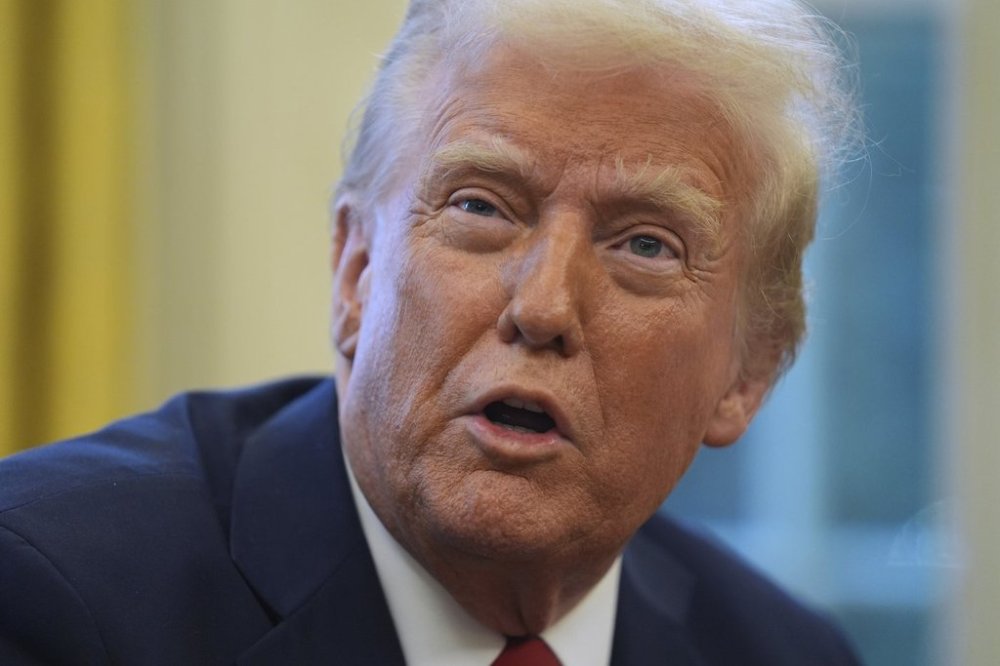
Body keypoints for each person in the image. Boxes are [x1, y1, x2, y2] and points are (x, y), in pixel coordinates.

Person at [0, 0, 864, 664]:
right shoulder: (49, 595)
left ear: (749, 372)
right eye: (480, 206)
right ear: (356, 272)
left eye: (645, 244)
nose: (543, 307)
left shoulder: (781, 651)